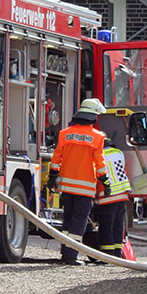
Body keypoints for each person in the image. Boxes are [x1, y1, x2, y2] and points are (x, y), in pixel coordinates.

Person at [47, 98, 109, 266]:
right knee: (78, 221)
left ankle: (65, 254)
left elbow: (56, 158)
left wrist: (52, 177)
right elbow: (100, 163)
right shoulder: (97, 137)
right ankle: (71, 256)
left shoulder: (64, 134)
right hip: (84, 188)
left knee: (67, 220)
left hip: (66, 187)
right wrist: (105, 182)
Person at [96, 139, 132, 257]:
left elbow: (98, 175)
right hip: (122, 193)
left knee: (106, 225)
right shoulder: (118, 152)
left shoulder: (99, 155)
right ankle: (117, 253)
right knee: (118, 224)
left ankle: (107, 254)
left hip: (108, 195)